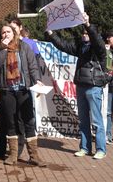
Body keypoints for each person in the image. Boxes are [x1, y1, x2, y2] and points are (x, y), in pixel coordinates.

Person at [45, 12, 107, 160]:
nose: (84, 35)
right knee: (83, 120)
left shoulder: (98, 49)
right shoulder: (81, 47)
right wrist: (50, 33)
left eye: (86, 33)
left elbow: (97, 41)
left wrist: (88, 24)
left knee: (97, 120)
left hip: (94, 87)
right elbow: (63, 46)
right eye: (83, 32)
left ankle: (101, 150)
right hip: (81, 86)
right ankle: (84, 148)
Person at [0, 23, 46, 166]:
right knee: (10, 122)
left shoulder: (24, 47)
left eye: (8, 32)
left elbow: (32, 65)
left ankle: (34, 156)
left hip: (23, 89)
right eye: (3, 33)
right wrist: (3, 49)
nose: (6, 35)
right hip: (7, 91)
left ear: (14, 33)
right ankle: (13, 155)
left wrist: (38, 80)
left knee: (29, 121)